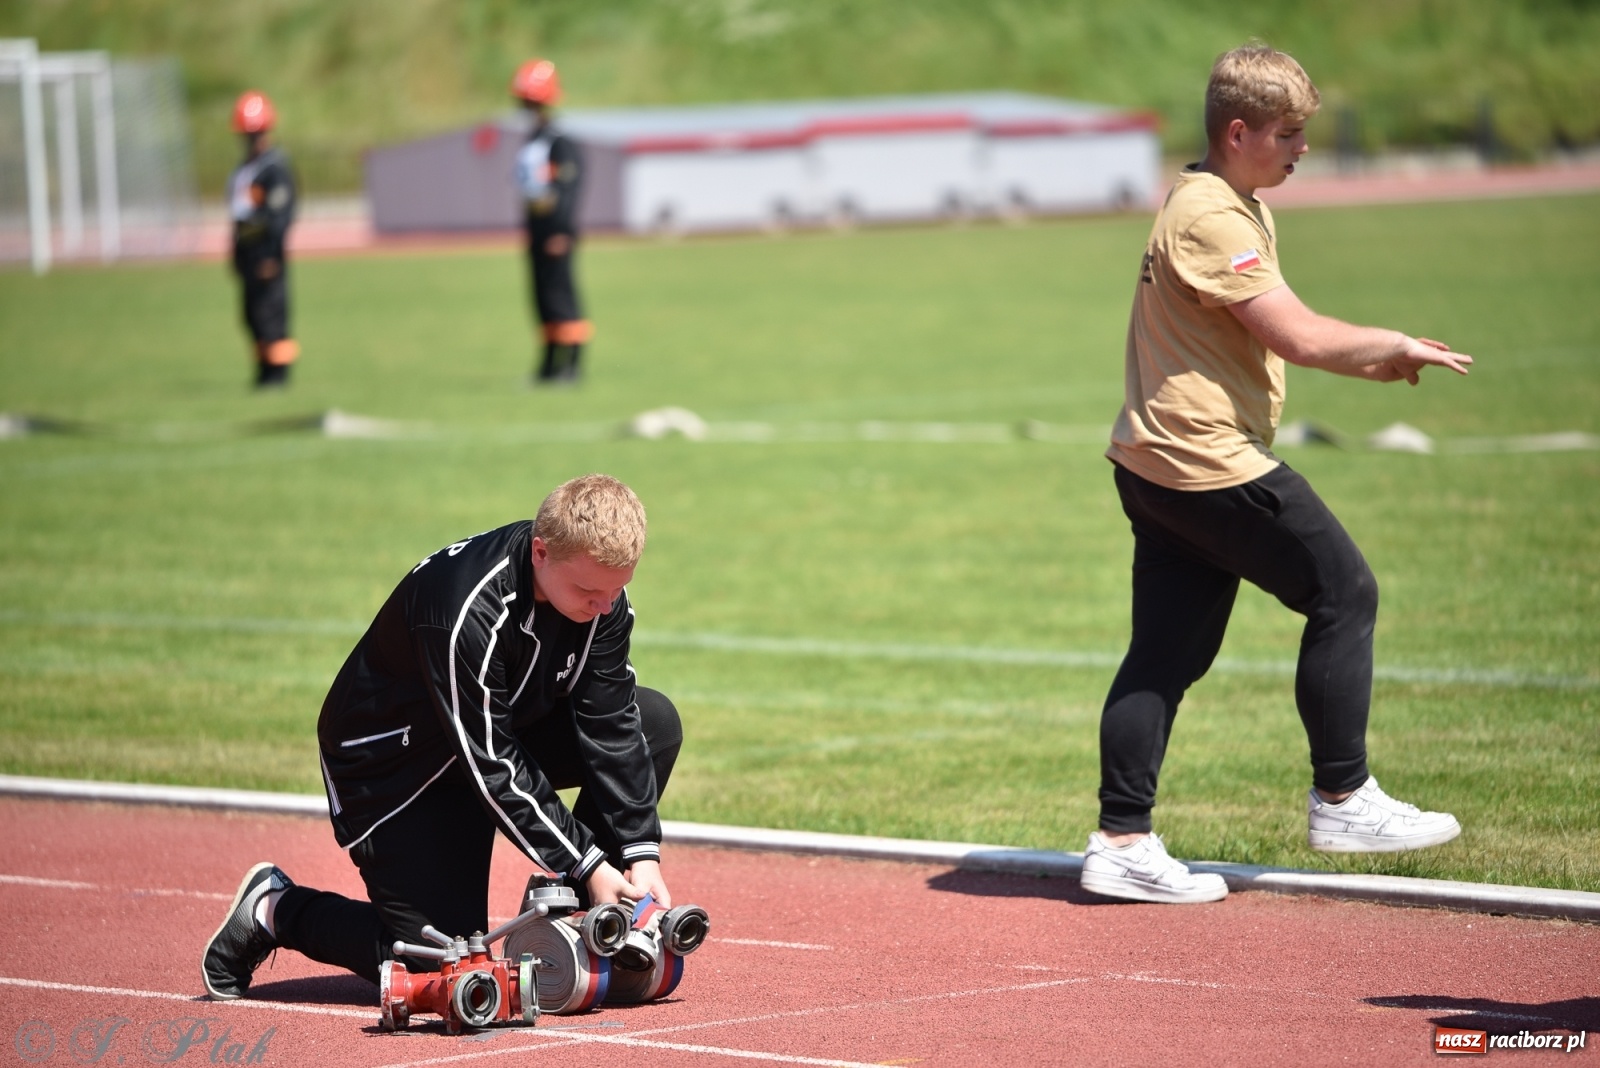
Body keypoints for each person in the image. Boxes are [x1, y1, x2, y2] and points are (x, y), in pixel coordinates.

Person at [1080, 43, 1473, 905]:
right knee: (1345, 593)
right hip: (1205, 459)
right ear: (1237, 130)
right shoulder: (1213, 215)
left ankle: (1120, 841)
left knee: (1164, 656)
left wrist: (1368, 365)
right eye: (1289, 134)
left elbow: (1254, 334)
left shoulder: (1226, 200)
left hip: (1156, 460)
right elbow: (1295, 332)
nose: (1302, 148)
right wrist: (1387, 343)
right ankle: (1343, 796)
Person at [202, 474, 682, 998]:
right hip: (395, 773)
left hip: (484, 739)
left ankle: (568, 921)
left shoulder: (601, 597)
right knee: (451, 968)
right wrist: (587, 862)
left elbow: (610, 722)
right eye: (590, 591)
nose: (605, 607)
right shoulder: (465, 611)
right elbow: (492, 764)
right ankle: (274, 909)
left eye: (617, 590)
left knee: (653, 723)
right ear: (541, 552)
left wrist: (640, 853)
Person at [511, 58, 591, 385]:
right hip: (536, 229)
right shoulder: (533, 141)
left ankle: (571, 365)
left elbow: (568, 191)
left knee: (562, 296)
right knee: (541, 297)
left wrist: (560, 230)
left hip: (556, 232)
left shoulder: (561, 142)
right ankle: (547, 366)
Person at [227, 90, 299, 389]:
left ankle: (278, 375)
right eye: (247, 134)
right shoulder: (244, 170)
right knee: (251, 315)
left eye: (256, 133)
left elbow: (280, 216)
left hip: (267, 254)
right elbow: (239, 216)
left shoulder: (275, 168)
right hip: (247, 253)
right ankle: (261, 371)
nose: (252, 140)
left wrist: (270, 254)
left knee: (272, 316)